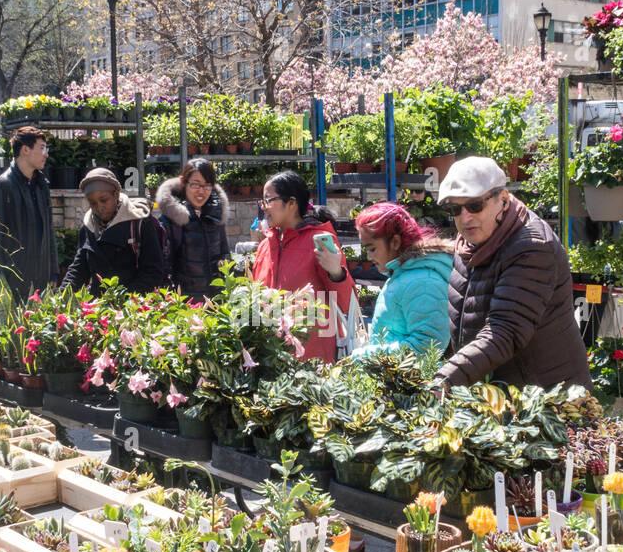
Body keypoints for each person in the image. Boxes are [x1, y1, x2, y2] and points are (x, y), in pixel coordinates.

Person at [436, 157, 592, 390]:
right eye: (455, 209)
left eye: (475, 205)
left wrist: (445, 379)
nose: (464, 217)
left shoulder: (533, 246)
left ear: (504, 199)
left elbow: (506, 331)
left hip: (547, 397)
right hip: (498, 393)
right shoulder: (468, 243)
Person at [249, 170, 356, 362]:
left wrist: (336, 273)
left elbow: (347, 303)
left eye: (268, 200)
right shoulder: (265, 245)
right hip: (270, 355)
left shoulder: (319, 241)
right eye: (262, 202)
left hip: (311, 357)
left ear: (291, 203)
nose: (263, 207)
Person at [355, 202, 453, 356]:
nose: (368, 256)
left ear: (395, 242)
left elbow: (428, 345)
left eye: (372, 248)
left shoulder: (422, 282)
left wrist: (368, 356)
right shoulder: (401, 275)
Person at [0, 126, 59, 300]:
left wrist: (53, 273)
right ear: (25, 149)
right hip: (11, 288)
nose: (46, 153)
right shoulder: (0, 188)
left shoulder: (41, 186)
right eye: (42, 148)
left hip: (40, 285)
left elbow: (49, 231)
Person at [61, 168, 166, 295]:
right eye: (93, 203)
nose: (99, 207)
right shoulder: (88, 227)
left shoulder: (140, 222)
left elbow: (153, 272)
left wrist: (123, 302)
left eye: (104, 200)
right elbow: (79, 269)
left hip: (134, 308)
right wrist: (62, 297)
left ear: (116, 194)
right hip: (98, 309)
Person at [155, 159, 231, 300]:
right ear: (183, 181)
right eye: (196, 184)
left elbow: (225, 253)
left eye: (207, 185)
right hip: (184, 306)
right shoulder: (171, 219)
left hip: (215, 303)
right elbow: (163, 269)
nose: (202, 191)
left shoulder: (216, 215)